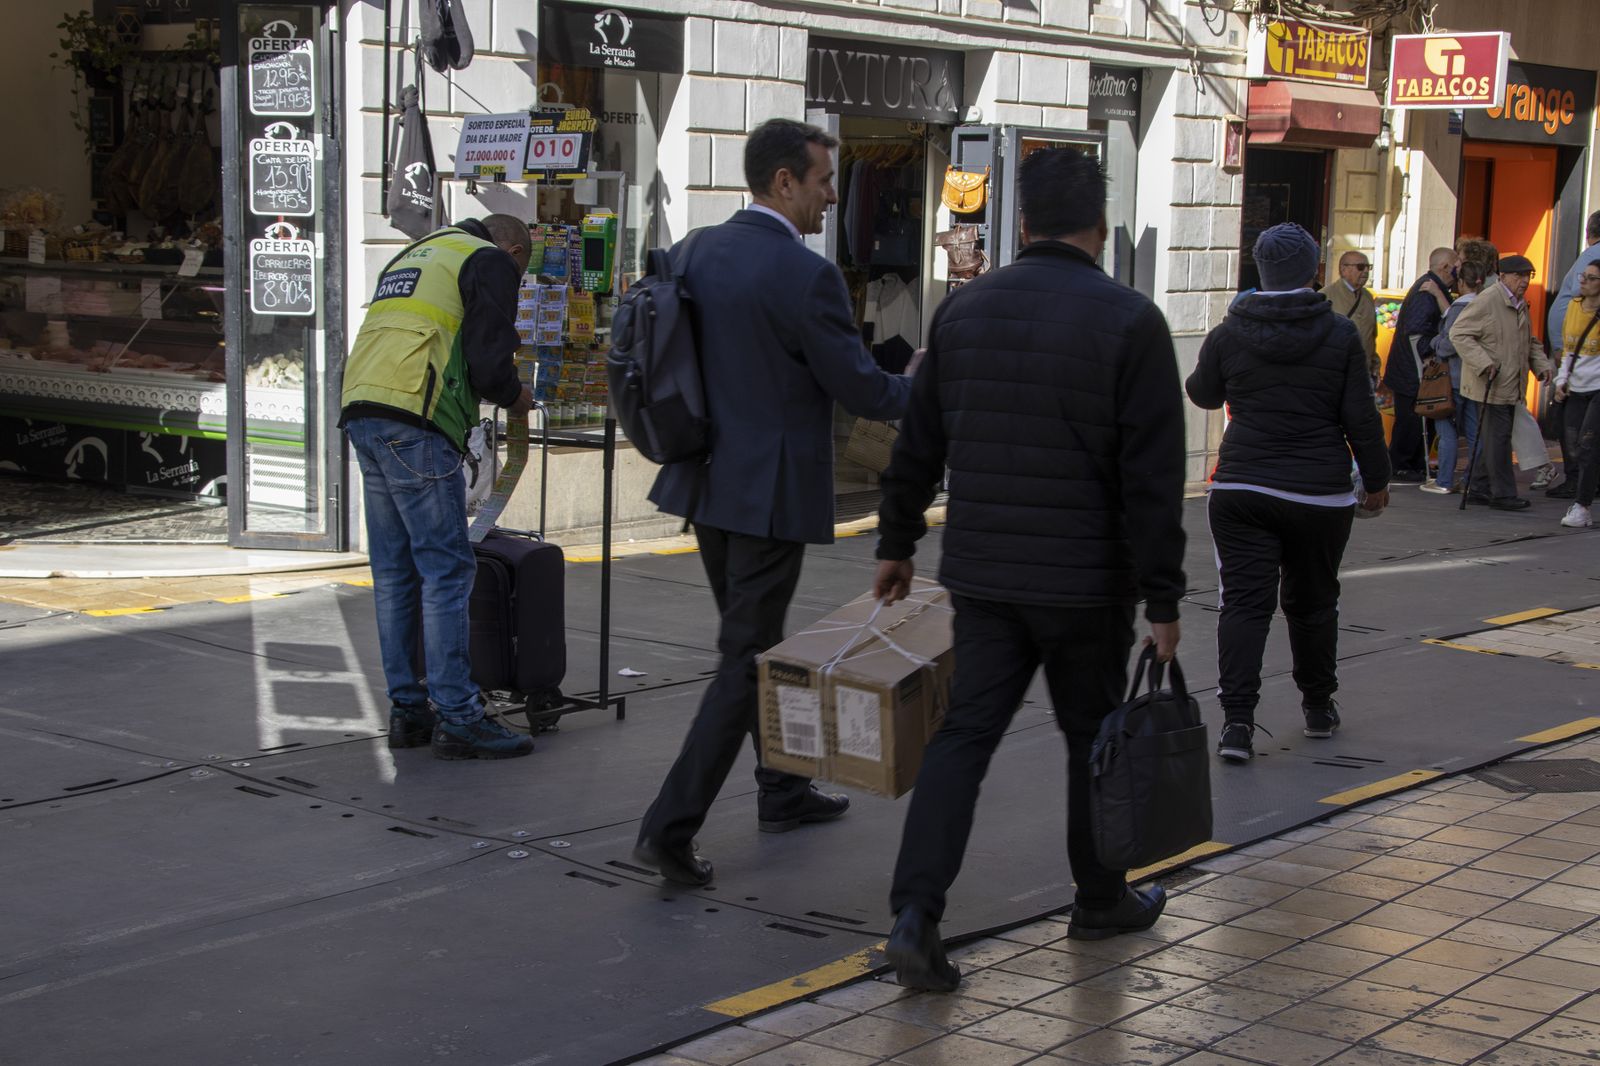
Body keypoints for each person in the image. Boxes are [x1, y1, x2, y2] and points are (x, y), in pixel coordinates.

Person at [872, 147, 1187, 991]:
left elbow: (920, 443)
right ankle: (1098, 899)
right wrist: (1165, 596)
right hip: (1086, 583)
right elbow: (1153, 480)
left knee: (964, 735)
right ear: (1103, 228)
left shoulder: (965, 314)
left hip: (981, 573)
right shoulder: (1132, 321)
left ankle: (915, 916)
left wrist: (896, 542)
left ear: (1020, 224)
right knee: (1093, 739)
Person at [632, 119, 913, 886]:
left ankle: (782, 787)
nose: (832, 197)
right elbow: (860, 388)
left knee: (752, 645)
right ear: (783, 182)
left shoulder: (690, 251)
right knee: (742, 658)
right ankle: (669, 826)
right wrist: (930, 384)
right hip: (767, 491)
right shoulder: (803, 273)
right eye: (824, 181)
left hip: (706, 480)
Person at [1186, 223, 1390, 764]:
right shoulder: (1339, 334)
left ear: (1260, 270)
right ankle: (1319, 707)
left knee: (1244, 605)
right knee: (1313, 602)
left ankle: (1236, 725)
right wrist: (1377, 480)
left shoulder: (1230, 331)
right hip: (1318, 492)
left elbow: (1203, 393)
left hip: (1243, 485)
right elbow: (1360, 417)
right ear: (1314, 271)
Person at [340, 215, 537, 760]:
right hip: (417, 421)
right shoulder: (487, 258)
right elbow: (488, 356)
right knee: (447, 569)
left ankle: (408, 711)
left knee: (396, 572)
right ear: (515, 250)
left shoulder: (417, 253)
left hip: (363, 411)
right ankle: (460, 714)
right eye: (521, 272)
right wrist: (514, 395)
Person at [1451, 255, 1554, 511]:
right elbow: (1459, 333)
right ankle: (1503, 494)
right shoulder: (1488, 299)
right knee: (1498, 439)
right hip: (1490, 384)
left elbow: (1528, 341)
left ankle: (1478, 487)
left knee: (1495, 438)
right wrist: (1484, 363)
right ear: (1503, 276)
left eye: (1527, 276)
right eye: (1518, 276)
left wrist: (1540, 366)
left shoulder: (1519, 303)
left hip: (1510, 383)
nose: (1524, 281)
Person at [1388, 248, 1459, 482]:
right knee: (1411, 419)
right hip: (1412, 370)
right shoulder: (1426, 290)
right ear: (1445, 267)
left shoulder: (1433, 287)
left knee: (1420, 417)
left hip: (1411, 368)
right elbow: (1416, 331)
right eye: (1455, 266)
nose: (1457, 272)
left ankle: (1414, 463)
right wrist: (1429, 354)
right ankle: (1401, 465)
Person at [1544, 212, 1600, 500]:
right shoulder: (1579, 303)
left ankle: (1580, 485)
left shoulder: (1592, 256)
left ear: (1589, 233)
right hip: (1575, 361)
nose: (1586, 281)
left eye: (1591, 279)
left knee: (1577, 431)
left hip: (1585, 369)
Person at [1422, 260, 1489, 494]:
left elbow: (1448, 344)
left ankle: (1444, 481)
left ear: (1461, 282)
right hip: (1476, 379)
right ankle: (1472, 480)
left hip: (1453, 377)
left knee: (1446, 429)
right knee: (1474, 432)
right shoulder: (1486, 306)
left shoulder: (1460, 309)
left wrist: (1434, 342)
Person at [1553, 262, 1600, 527]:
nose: (1584, 281)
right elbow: (1570, 349)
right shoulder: (1573, 307)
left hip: (1598, 389)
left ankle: (1582, 506)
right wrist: (1562, 380)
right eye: (1584, 276)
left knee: (1588, 445)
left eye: (1592, 278)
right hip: (1575, 387)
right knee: (1573, 446)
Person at [1325, 250, 1378, 380]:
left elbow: (1371, 336)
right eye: (1360, 267)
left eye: (1368, 267)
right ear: (1344, 269)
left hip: (1363, 372)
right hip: (1336, 374)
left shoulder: (1368, 297)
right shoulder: (1326, 296)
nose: (1365, 271)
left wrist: (1375, 364)